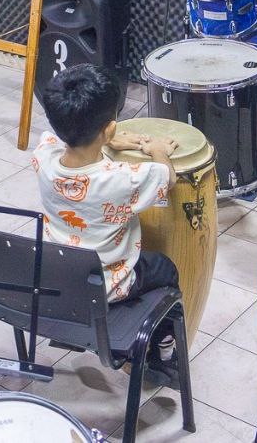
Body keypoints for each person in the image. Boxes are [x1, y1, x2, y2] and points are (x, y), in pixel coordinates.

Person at [33, 64, 181, 378]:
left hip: (60, 274)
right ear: (110, 127)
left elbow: (51, 140)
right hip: (109, 283)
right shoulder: (121, 180)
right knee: (165, 268)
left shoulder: (43, 158)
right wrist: (157, 150)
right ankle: (163, 350)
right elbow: (167, 178)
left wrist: (106, 142)